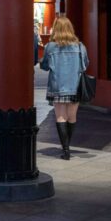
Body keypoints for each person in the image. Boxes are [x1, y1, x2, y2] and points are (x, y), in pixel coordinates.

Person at [38, 14, 89, 160]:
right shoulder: (80, 46)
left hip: (58, 86)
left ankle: (65, 150)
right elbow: (85, 65)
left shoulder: (50, 47)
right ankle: (68, 146)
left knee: (60, 116)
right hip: (75, 86)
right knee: (72, 117)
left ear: (55, 29)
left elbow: (45, 66)